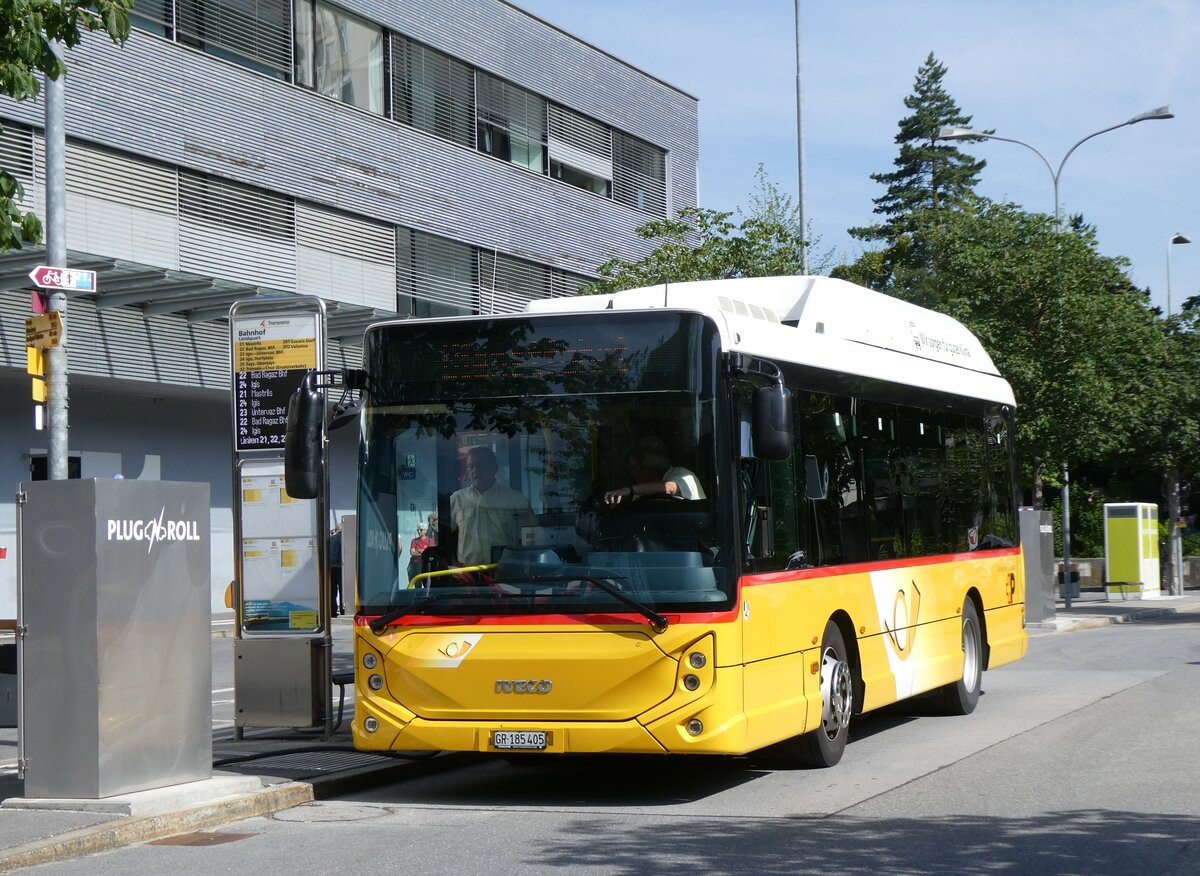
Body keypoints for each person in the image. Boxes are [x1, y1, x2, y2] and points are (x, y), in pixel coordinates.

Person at [450, 446, 534, 565]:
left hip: (508, 573)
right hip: (468, 575)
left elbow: (532, 540)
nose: (475, 470)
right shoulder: (456, 500)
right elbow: (443, 537)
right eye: (471, 466)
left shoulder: (517, 501)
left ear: (494, 468)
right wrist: (454, 565)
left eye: (481, 465)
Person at [604, 435, 706, 505]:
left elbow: (669, 487)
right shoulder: (639, 493)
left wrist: (629, 490)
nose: (631, 473)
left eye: (633, 468)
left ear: (648, 469)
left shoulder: (683, 475)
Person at [329, 522, 344, 615]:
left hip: (330, 567)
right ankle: (343, 609)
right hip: (341, 567)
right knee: (343, 590)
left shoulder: (330, 539)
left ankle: (332, 610)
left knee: (332, 590)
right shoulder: (344, 539)